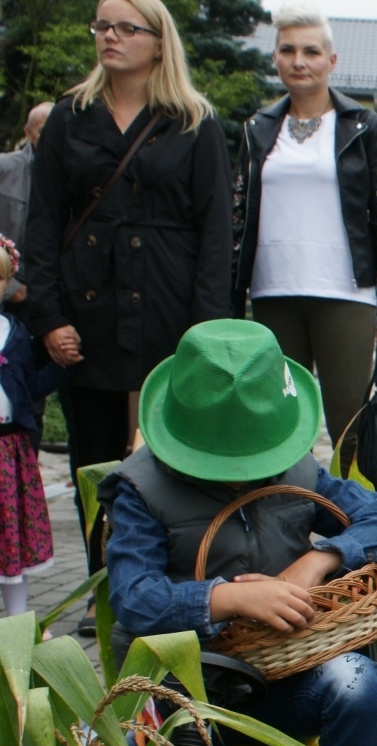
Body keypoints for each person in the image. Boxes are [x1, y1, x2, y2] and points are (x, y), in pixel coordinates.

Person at [100, 318, 377, 746]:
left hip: (282, 682)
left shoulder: (298, 475)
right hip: (181, 697)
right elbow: (134, 597)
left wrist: (319, 558)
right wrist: (228, 597)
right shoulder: (140, 491)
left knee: (360, 683)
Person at [27, 0, 232, 638]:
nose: (109, 37)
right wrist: (46, 315)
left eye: (124, 27)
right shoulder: (69, 118)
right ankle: (100, 590)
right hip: (89, 315)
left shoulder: (196, 123)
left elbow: (215, 235)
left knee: (166, 462)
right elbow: (42, 224)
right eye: (102, 26)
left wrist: (205, 337)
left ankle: (168, 587)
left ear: (157, 39)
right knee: (95, 462)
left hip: (170, 313)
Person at [233, 4, 377, 474]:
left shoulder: (362, 126)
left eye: (311, 51)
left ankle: (356, 532)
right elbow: (237, 216)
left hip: (344, 293)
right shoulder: (256, 130)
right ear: (275, 58)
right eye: (288, 50)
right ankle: (286, 530)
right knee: (280, 424)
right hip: (272, 293)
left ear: (331, 61)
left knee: (350, 425)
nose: (299, 60)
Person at [0, 235, 63, 620]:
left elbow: (29, 388)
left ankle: (19, 621)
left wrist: (62, 369)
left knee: (12, 538)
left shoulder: (16, 332)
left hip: (9, 453)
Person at [0, 103, 53, 304]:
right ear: (28, 133)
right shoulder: (4, 168)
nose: (51, 138)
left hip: (49, 295)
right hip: (7, 289)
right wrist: (10, 288)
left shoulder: (76, 177)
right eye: (42, 131)